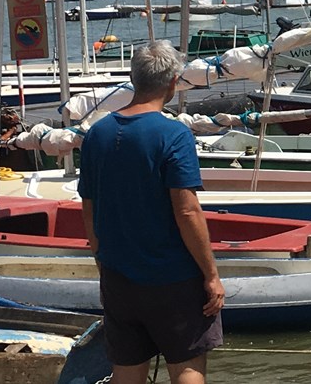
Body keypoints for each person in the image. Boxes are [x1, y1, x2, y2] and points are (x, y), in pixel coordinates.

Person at [79, 40, 223, 384]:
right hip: (172, 277)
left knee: (126, 372)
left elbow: (89, 204)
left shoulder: (97, 133)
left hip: (118, 276)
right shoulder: (173, 134)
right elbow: (187, 211)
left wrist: (102, 259)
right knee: (186, 366)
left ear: (133, 78)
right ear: (173, 81)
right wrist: (211, 274)